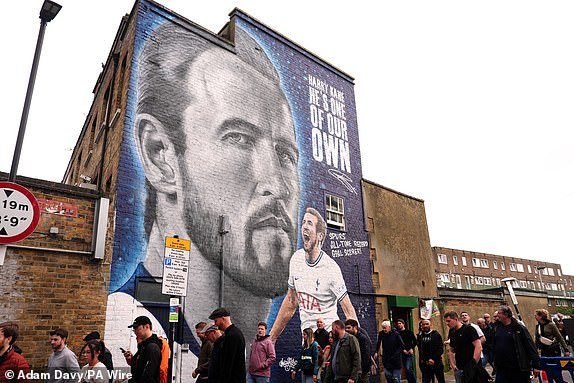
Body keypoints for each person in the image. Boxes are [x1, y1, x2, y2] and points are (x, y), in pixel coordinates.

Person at [126, 19, 301, 342]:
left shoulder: (260, 349)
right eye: (239, 138)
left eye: (286, 154)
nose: (277, 185)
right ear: (159, 154)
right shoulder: (122, 333)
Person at [270, 208, 357, 341]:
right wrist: (272, 338)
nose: (304, 226)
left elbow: (348, 310)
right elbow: (291, 302)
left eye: (309, 223)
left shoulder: (331, 268)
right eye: (303, 222)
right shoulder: (296, 259)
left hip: (329, 338)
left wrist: (356, 344)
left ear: (320, 236)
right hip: (308, 340)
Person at [493, 305, 540, 383]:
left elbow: (530, 346)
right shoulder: (497, 328)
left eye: (499, 313)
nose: (497, 315)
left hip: (518, 367)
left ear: (506, 315)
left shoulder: (518, 328)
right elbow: (495, 345)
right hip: (502, 368)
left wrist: (536, 365)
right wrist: (494, 360)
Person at [209, 308, 246, 383]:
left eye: (216, 320)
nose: (215, 324)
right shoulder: (231, 334)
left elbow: (228, 363)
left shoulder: (232, 335)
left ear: (223, 318)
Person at [444, 311, 481, 383]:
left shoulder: (469, 329)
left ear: (456, 319)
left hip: (471, 367)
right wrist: (453, 365)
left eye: (449, 321)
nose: (447, 323)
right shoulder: (452, 332)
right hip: (459, 368)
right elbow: (451, 349)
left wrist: (473, 364)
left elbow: (478, 346)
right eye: (446, 321)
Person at [122, 316, 162, 383]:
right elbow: (138, 369)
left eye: (137, 328)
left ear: (147, 326)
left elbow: (148, 375)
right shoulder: (143, 346)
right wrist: (131, 359)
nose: (135, 331)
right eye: (134, 329)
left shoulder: (152, 347)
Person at [395, 319, 416, 383]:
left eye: (400, 323)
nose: (399, 325)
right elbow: (397, 344)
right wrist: (402, 350)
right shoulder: (397, 334)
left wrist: (412, 348)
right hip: (401, 353)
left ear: (403, 324)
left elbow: (415, 341)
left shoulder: (409, 332)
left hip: (409, 353)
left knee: (408, 369)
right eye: (398, 324)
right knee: (405, 369)